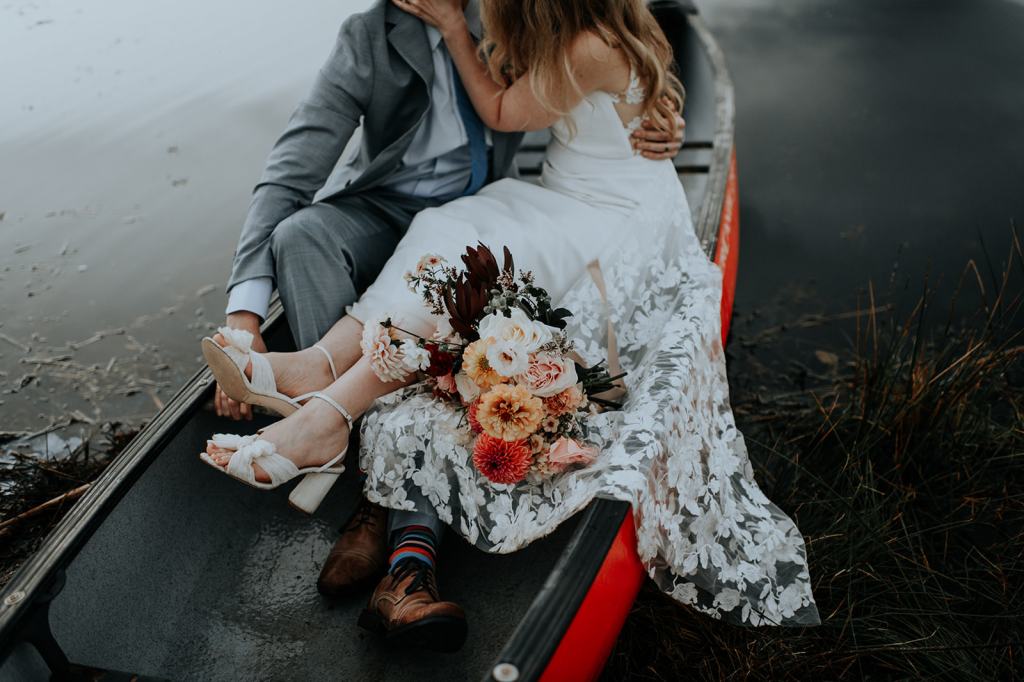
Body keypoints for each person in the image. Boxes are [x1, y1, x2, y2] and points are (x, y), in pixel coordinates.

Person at [203, 0, 818, 652]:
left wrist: (658, 108)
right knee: (382, 238)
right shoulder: (378, 37)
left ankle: (341, 436)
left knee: (462, 275)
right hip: (511, 198)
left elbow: (522, 104)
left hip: (596, 216)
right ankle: (323, 375)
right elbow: (292, 166)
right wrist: (244, 315)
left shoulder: (530, 25)